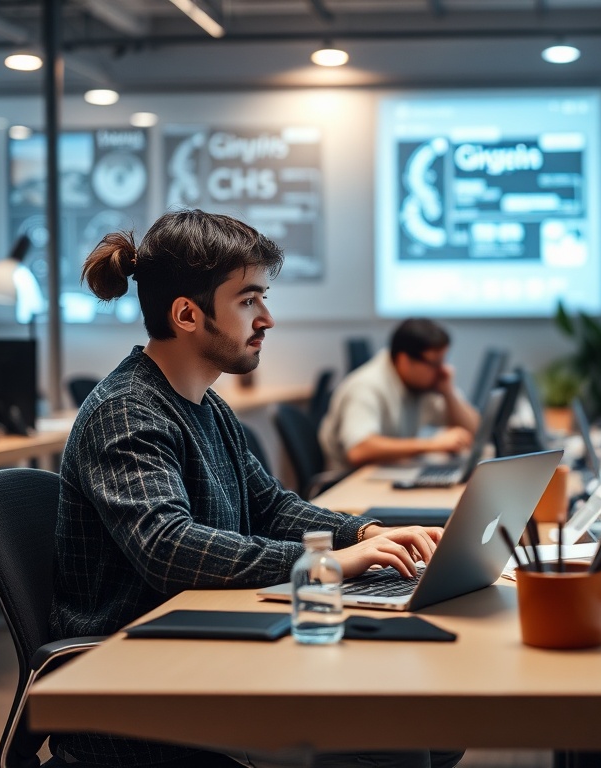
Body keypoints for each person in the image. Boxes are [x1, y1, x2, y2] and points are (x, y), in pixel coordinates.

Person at [50, 209, 463, 768]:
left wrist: (365, 534)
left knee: (432, 724)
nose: (267, 318)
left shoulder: (206, 406)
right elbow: (169, 548)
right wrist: (330, 564)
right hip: (140, 691)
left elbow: (270, 506)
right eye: (248, 300)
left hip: (211, 647)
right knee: (400, 743)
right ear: (188, 314)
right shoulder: (128, 414)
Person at [320, 318, 480, 474]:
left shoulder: (424, 384)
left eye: (443, 361)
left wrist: (448, 393)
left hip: (383, 474)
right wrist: (431, 445)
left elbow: (475, 431)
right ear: (404, 360)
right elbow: (359, 450)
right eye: (435, 363)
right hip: (346, 484)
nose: (442, 370)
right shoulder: (366, 386)